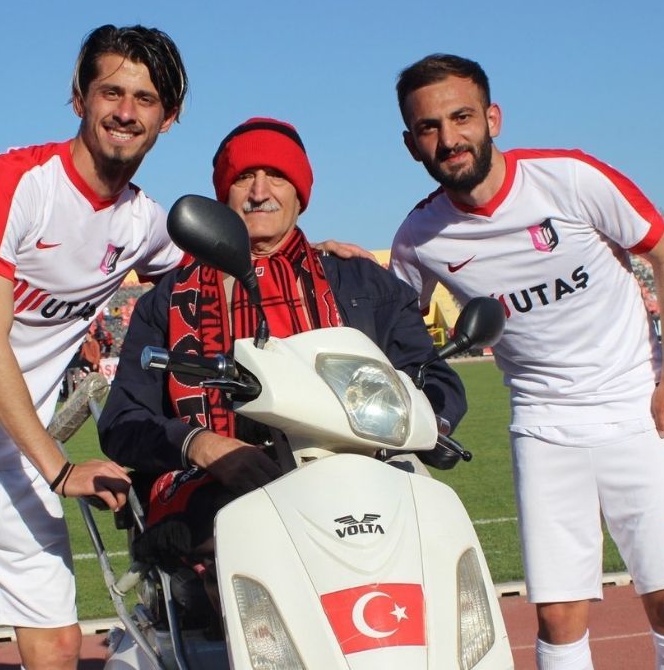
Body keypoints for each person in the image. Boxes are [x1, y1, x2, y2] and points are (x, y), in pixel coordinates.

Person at [0, 26, 367, 670]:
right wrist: (60, 471)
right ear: (78, 97)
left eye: (146, 99)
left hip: (20, 446)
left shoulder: (142, 223)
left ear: (170, 116)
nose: (126, 112)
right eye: (111, 92)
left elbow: (223, 269)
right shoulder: (15, 182)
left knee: (55, 647)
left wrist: (327, 258)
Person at [389, 55, 664, 670]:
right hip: (542, 426)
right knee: (559, 620)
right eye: (428, 127)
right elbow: (396, 321)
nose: (448, 138)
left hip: (635, 410)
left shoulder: (569, 178)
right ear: (410, 143)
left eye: (461, 117)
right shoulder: (420, 237)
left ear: (492, 118)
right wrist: (348, 264)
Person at [97, 117, 466, 592]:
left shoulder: (359, 281)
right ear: (222, 196)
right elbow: (123, 421)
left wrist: (429, 424)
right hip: (218, 495)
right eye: (243, 178)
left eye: (276, 175)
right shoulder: (167, 301)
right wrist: (203, 445)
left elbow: (434, 379)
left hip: (360, 481)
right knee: (244, 551)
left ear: (300, 193)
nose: (259, 191)